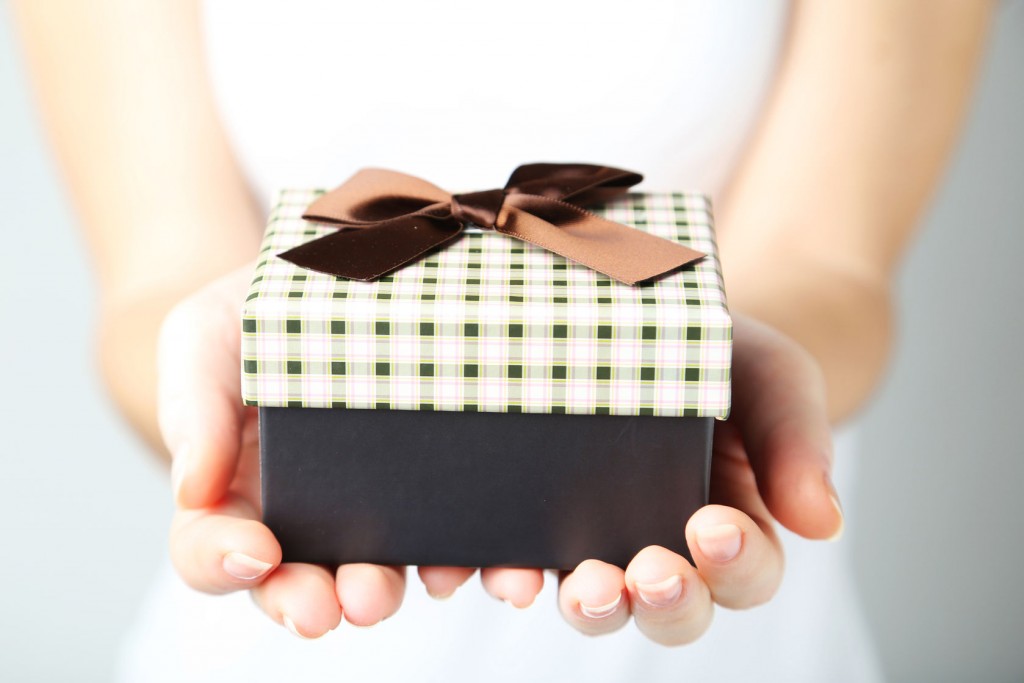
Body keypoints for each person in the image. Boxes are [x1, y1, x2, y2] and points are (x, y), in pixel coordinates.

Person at [13, 0, 992, 680]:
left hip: (739, 634)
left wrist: (753, 362)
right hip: (263, 640)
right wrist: (212, 417)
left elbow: (829, 262)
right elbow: (156, 279)